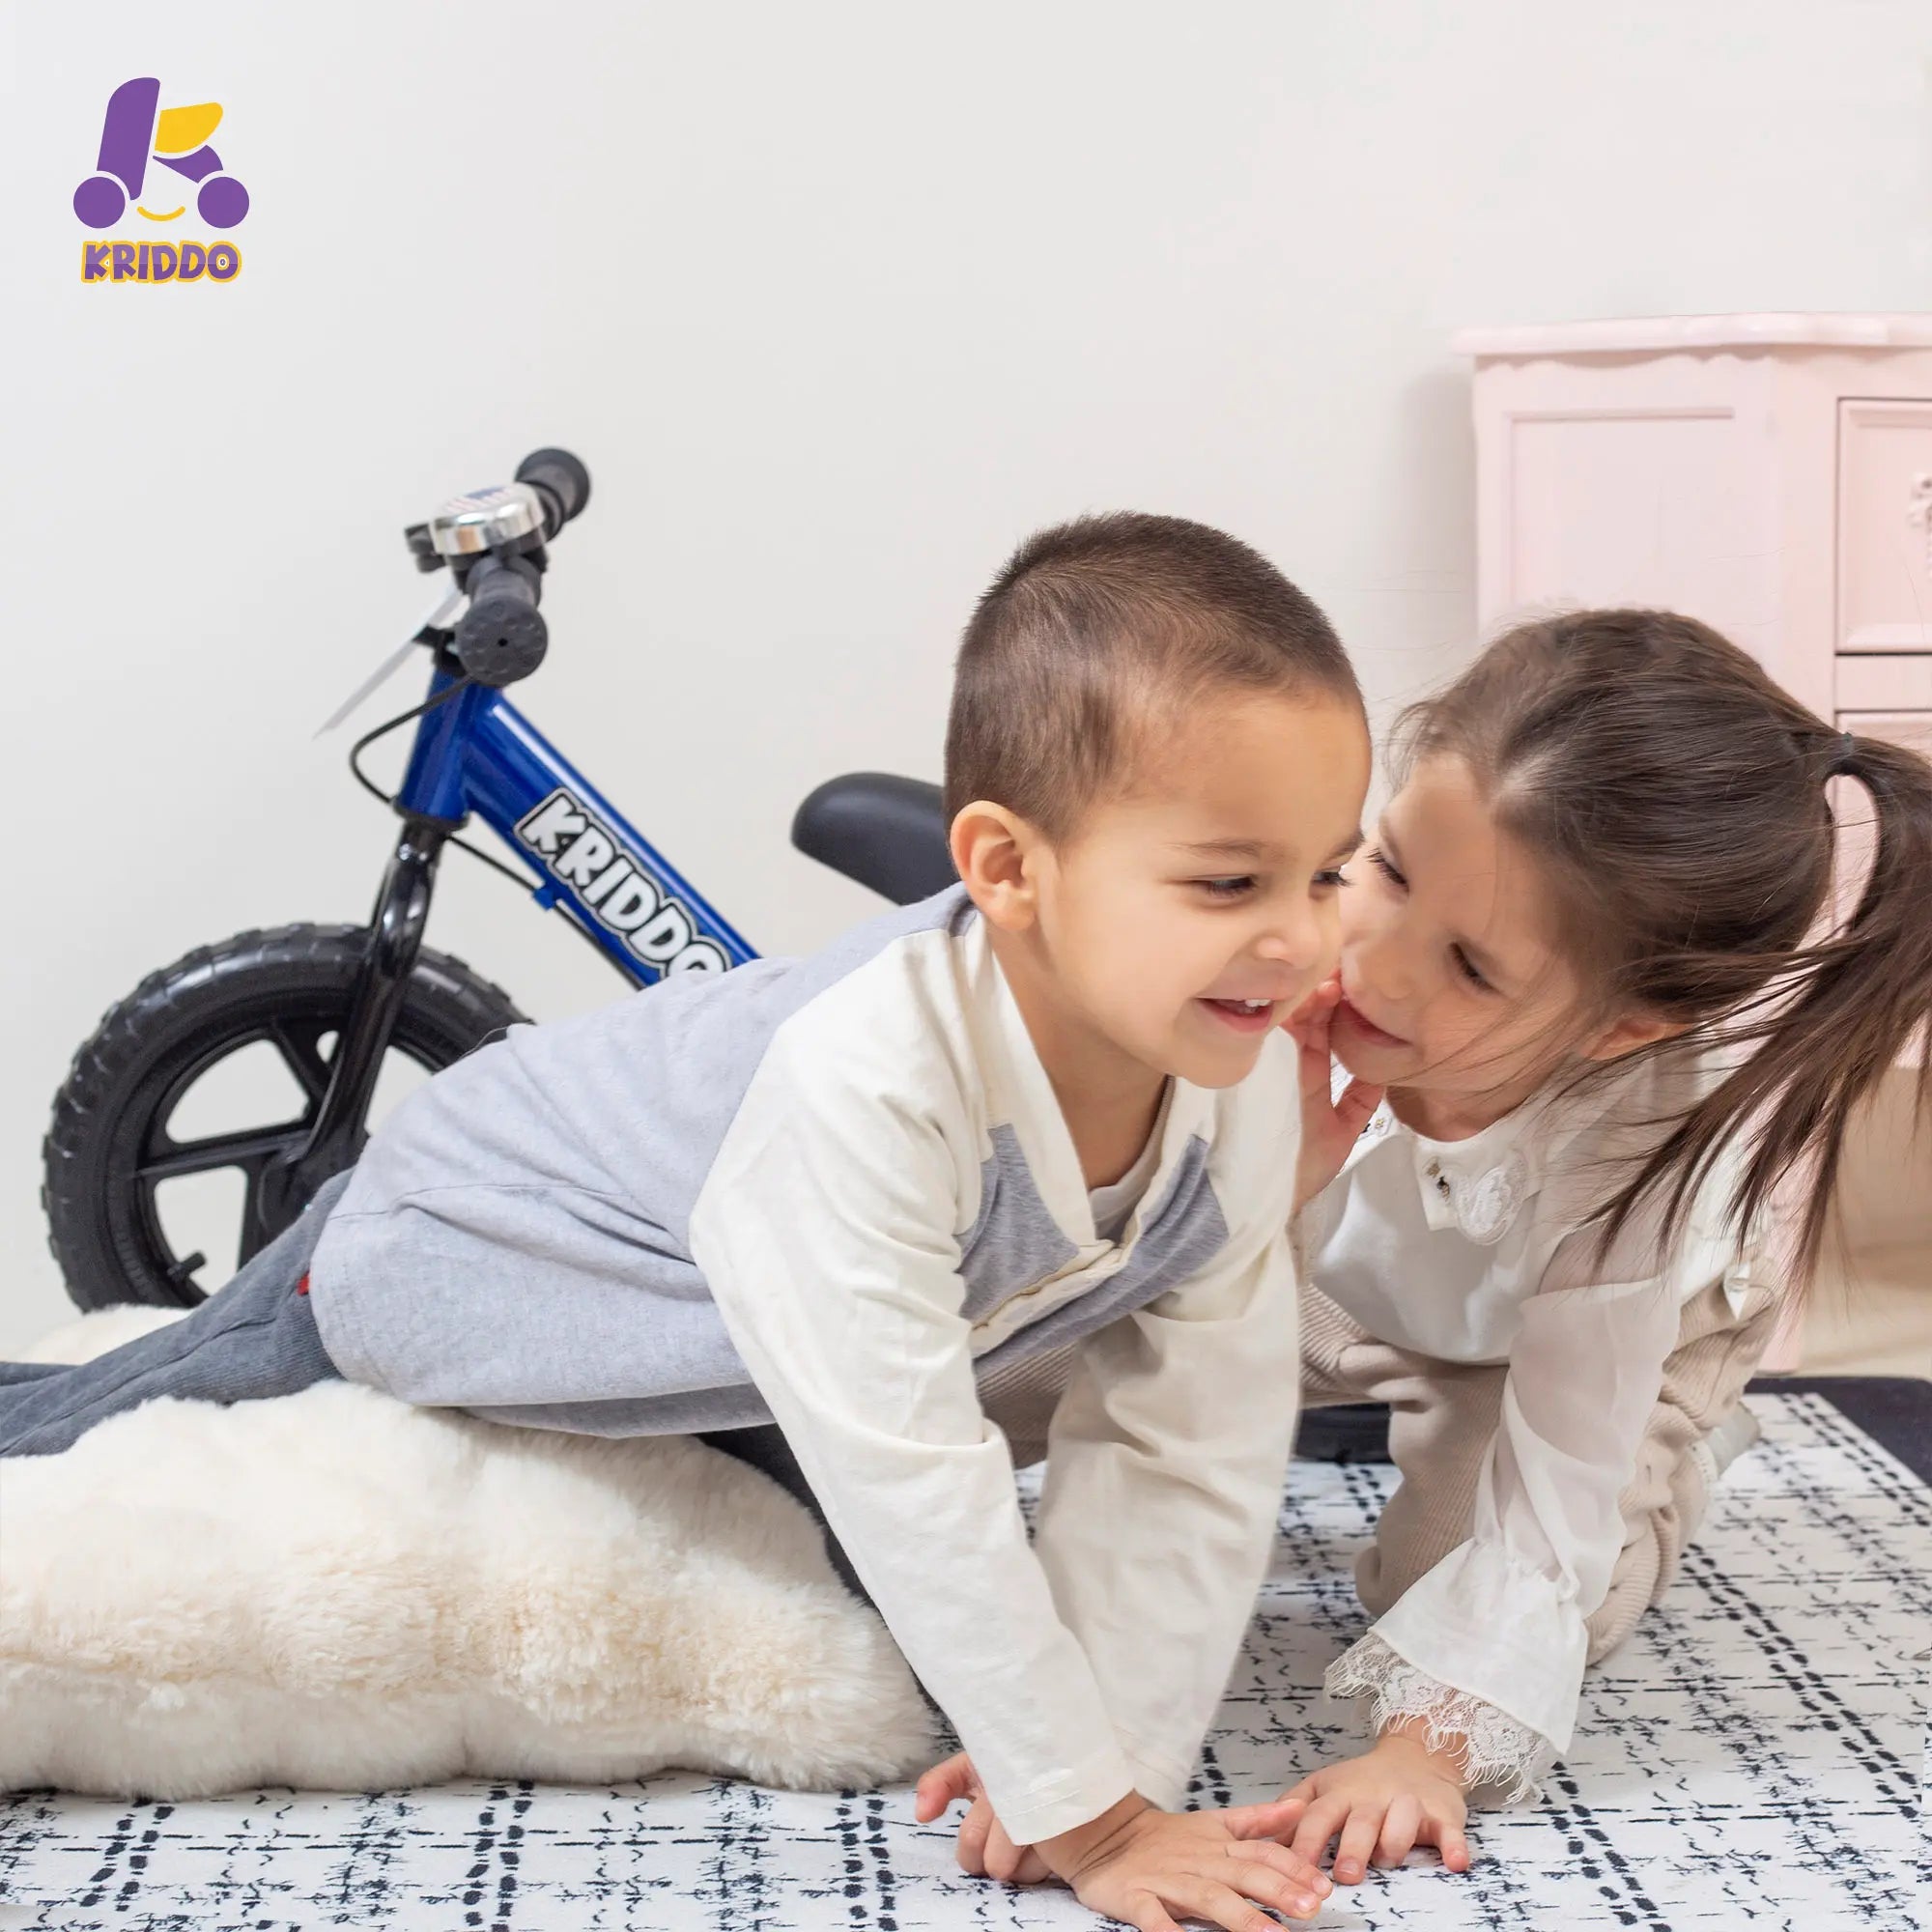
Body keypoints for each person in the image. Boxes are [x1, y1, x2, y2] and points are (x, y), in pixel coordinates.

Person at [3, 514, 1373, 1932]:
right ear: (1011, 870)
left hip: (695, 1304)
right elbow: (910, 1466)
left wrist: (1108, 1768)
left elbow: (1189, 1438)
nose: (1302, 940)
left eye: (1329, 873)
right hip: (472, 1227)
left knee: (870, 1570)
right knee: (114, 1414)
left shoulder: (1236, 1087)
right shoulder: (874, 1080)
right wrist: (1090, 1818)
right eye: (1230, 883)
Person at [1269, 607, 1932, 1888]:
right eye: (1388, 867)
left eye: (1471, 967)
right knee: (1034, 1354)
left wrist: (1424, 1751)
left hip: (1574, 1347)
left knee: (1443, 1592)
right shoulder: (1292, 931)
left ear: (1622, 1027)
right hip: (1339, 1274)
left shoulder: (1637, 1140)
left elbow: (1554, 1482)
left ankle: (1676, 1456)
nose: (1377, 965)